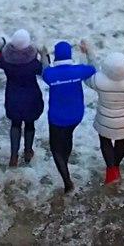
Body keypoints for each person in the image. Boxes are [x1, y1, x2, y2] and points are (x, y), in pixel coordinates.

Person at [85, 49, 124, 185]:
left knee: (105, 141)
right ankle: (116, 167)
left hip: (105, 121)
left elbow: (88, 75)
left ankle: (110, 170)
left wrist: (89, 53)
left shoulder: (98, 81)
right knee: (121, 141)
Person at [42, 40, 96, 192]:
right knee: (67, 137)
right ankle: (65, 161)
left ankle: (67, 182)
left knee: (55, 148)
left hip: (57, 118)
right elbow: (93, 68)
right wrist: (87, 52)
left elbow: (44, 69)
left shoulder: (50, 74)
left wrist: (44, 55)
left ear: (56, 57)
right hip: (76, 115)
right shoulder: (78, 71)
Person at [0, 29, 44, 167]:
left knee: (15, 125)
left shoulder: (6, 60)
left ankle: (13, 156)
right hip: (31, 97)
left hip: (13, 97)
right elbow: (43, 70)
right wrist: (43, 54)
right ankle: (28, 152)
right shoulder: (33, 63)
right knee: (30, 124)